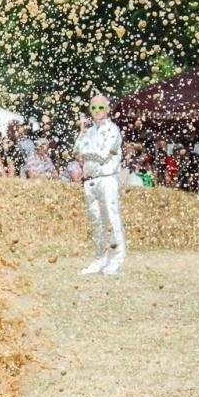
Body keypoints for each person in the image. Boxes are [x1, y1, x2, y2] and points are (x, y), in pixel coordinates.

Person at [75, 94, 126, 275]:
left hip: (107, 178)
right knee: (96, 221)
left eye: (100, 107)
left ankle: (117, 260)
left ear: (107, 109)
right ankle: (99, 258)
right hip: (90, 180)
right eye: (93, 108)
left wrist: (86, 152)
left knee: (111, 218)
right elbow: (76, 151)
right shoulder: (89, 132)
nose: (97, 111)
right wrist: (81, 133)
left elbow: (104, 155)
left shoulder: (113, 130)